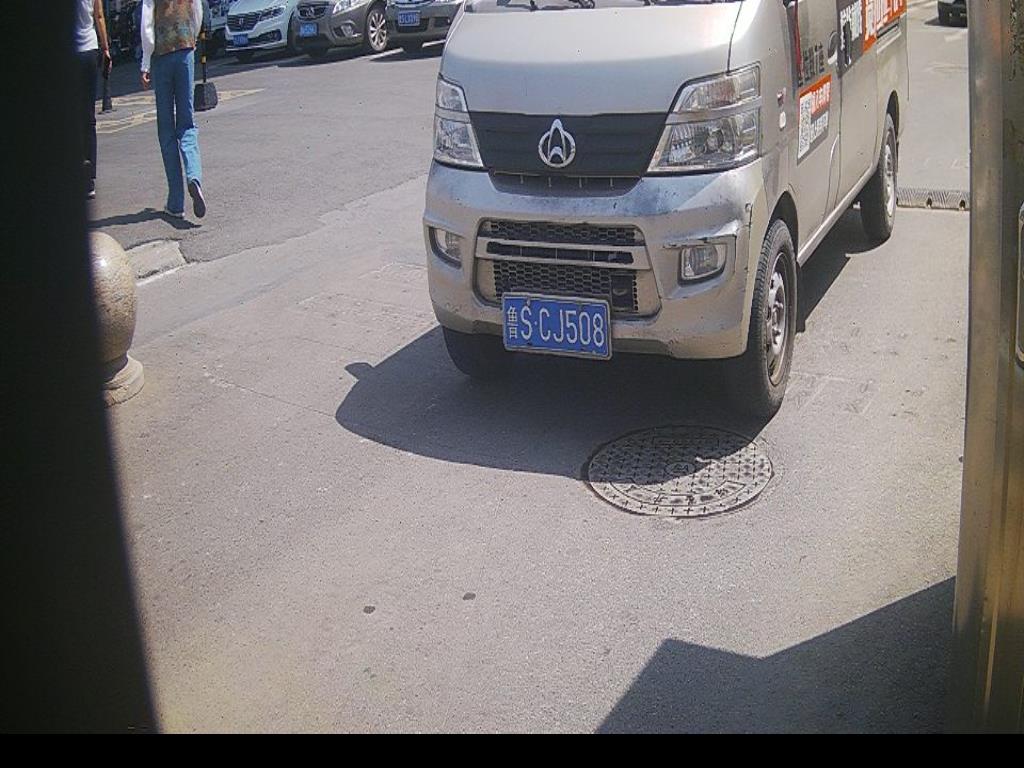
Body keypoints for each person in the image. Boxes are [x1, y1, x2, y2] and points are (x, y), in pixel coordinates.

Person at [140, 0, 207, 219]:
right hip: (185, 47)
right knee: (187, 123)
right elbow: (197, 9)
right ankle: (194, 177)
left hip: (163, 54)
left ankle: (176, 203)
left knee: (166, 129)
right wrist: (192, 36)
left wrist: (145, 62)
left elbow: (147, 22)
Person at [75, 0, 111, 199]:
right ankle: (89, 179)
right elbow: (99, 16)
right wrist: (105, 48)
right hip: (89, 50)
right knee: (89, 117)